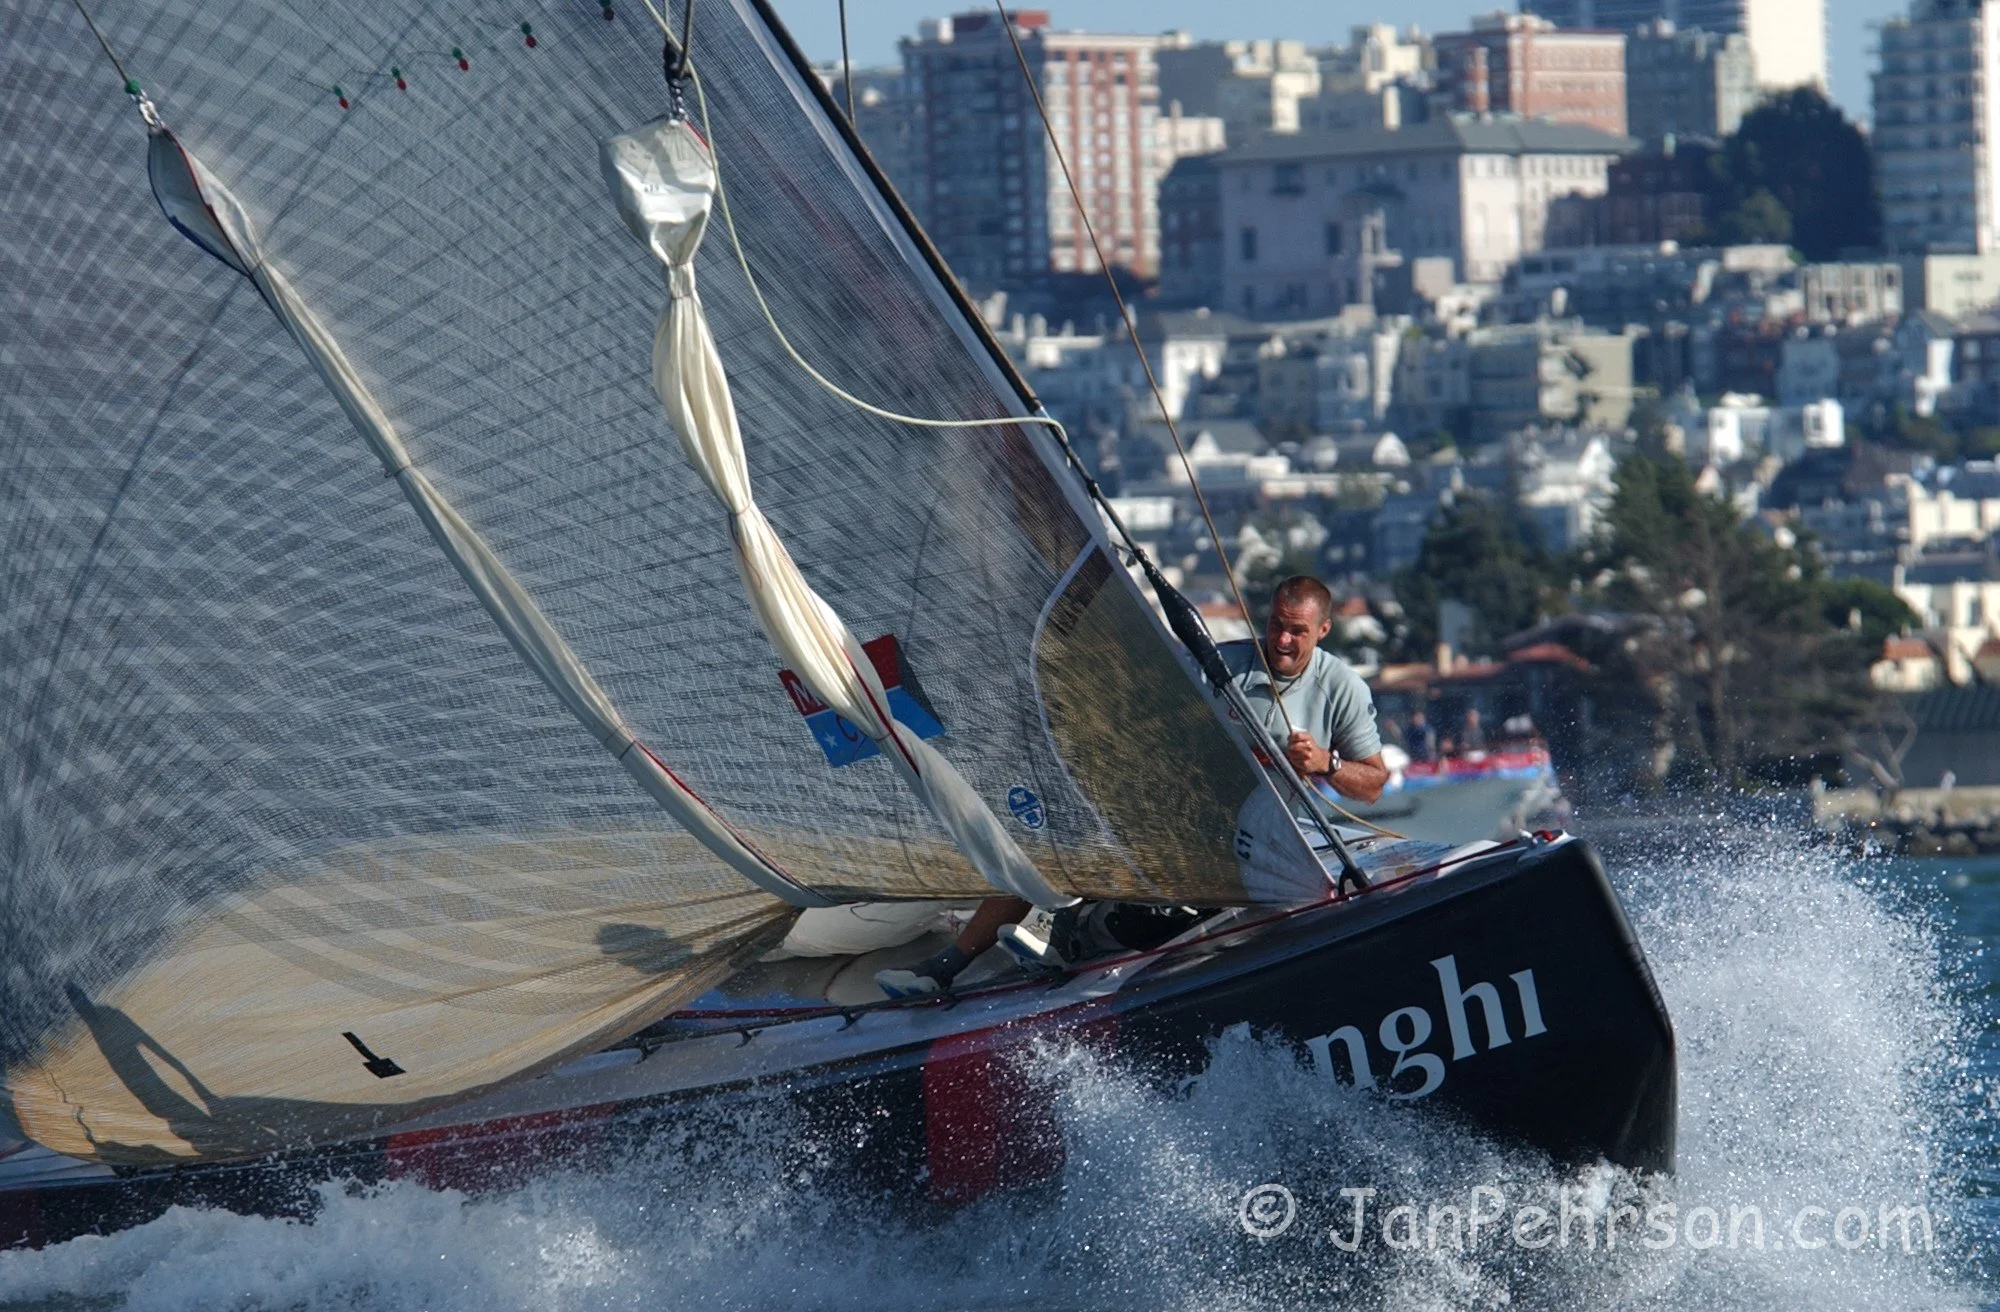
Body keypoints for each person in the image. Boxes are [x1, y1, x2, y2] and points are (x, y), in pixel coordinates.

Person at [876, 575, 1388, 999]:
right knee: (1051, 831)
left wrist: (1328, 762)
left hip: (1256, 847)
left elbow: (1372, 787)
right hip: (1179, 819)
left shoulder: (1341, 689)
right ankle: (944, 966)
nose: (1282, 640)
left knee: (1158, 912)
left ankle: (1071, 938)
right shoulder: (1222, 667)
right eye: (1276, 625)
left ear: (1322, 630)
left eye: (1297, 631)